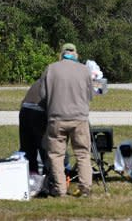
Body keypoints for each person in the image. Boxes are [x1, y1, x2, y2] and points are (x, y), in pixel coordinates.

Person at [38, 43, 94, 197]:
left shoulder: (51, 68)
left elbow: (43, 95)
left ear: (61, 54)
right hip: (79, 119)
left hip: (57, 118)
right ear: (76, 54)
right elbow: (90, 95)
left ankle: (60, 189)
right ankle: (85, 188)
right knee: (82, 154)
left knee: (56, 155)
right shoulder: (84, 70)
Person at [19, 78, 47, 176]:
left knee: (28, 148)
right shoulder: (57, 80)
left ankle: (31, 176)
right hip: (38, 112)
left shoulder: (41, 79)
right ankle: (48, 178)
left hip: (24, 109)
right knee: (45, 147)